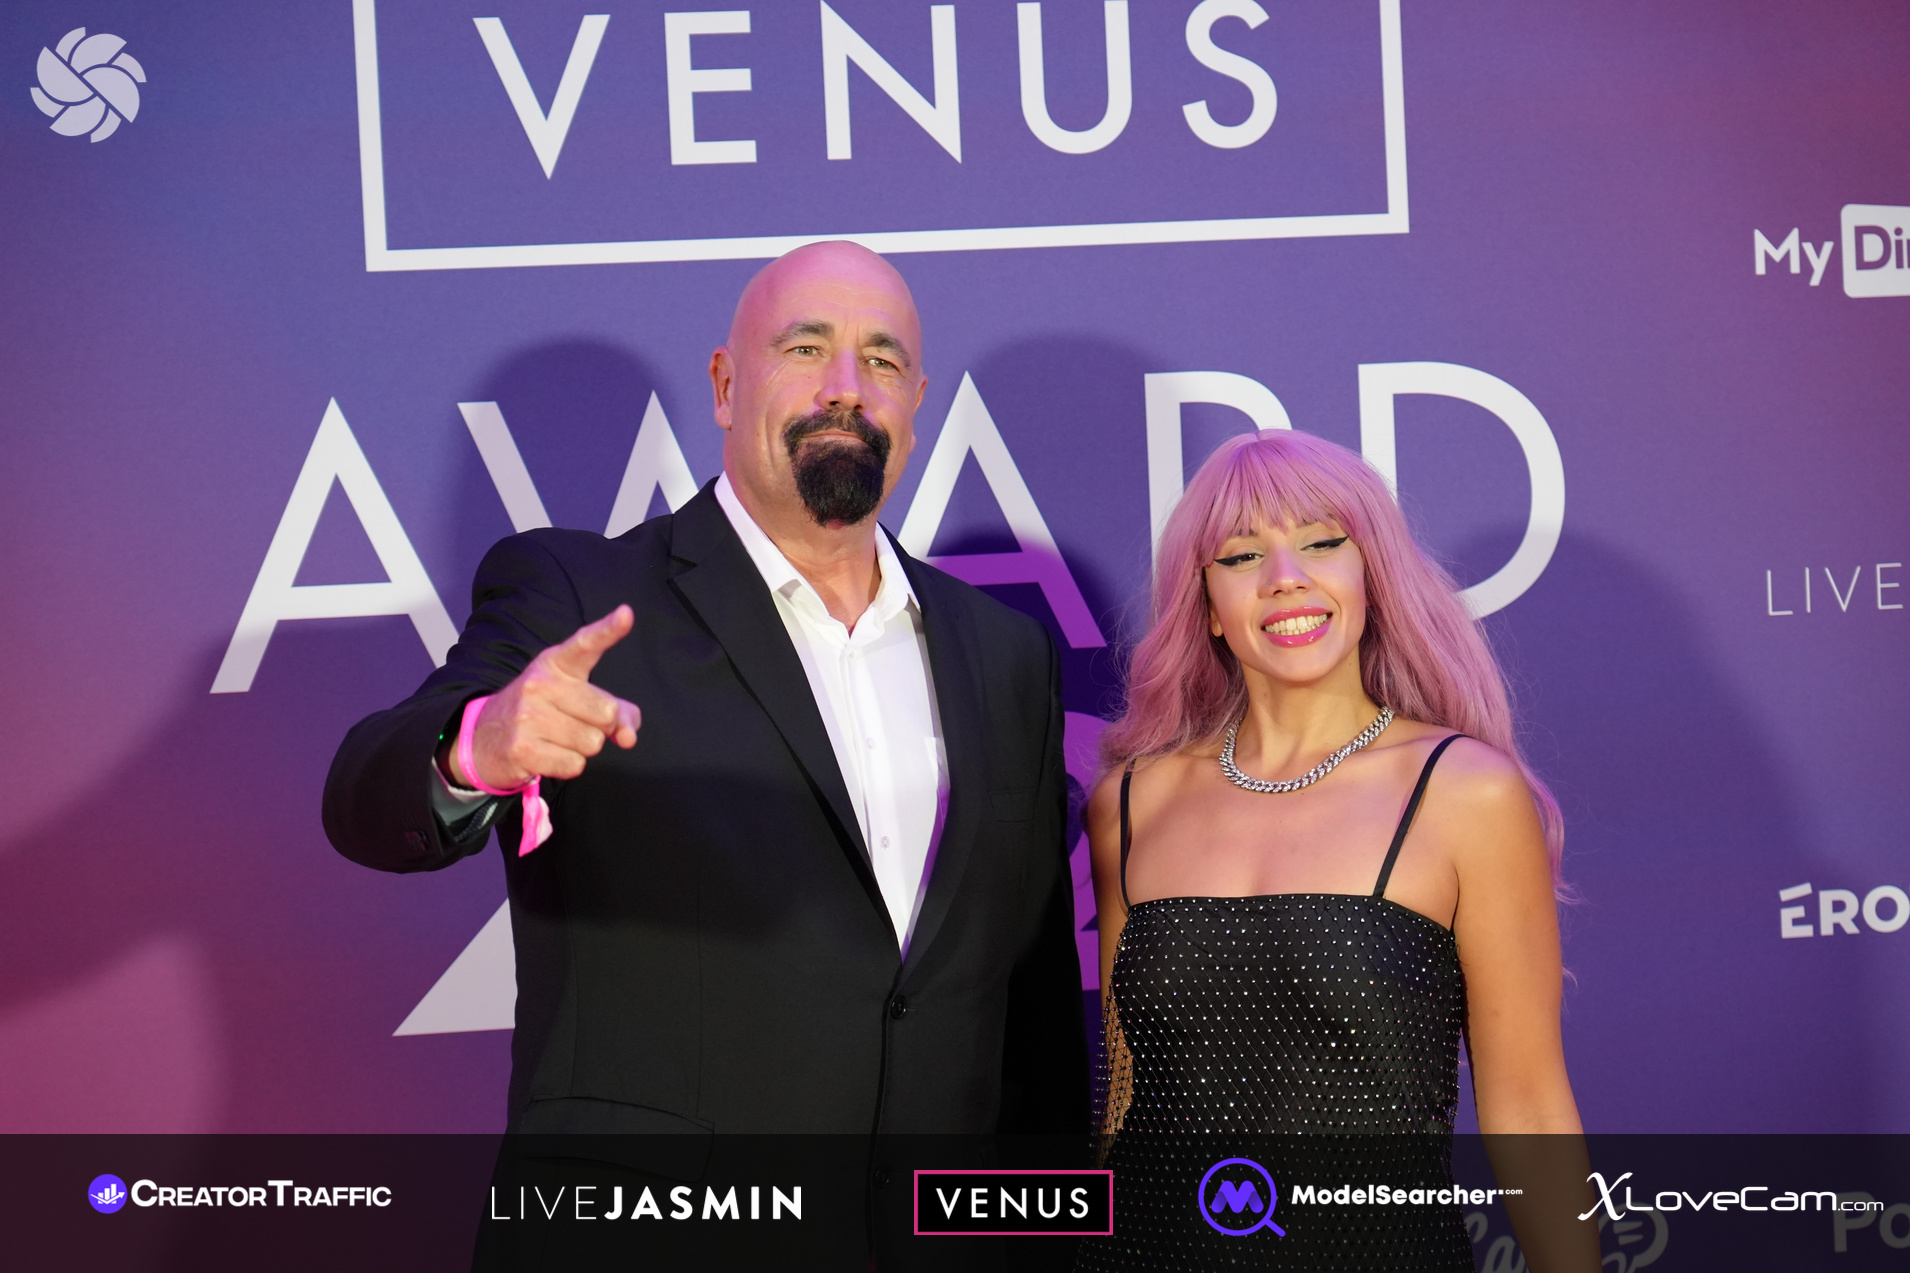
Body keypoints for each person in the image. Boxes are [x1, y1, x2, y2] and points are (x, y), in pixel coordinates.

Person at [322, 242, 1086, 1210]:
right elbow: (363, 796)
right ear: (727, 386)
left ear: (916, 400)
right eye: (805, 348)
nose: (846, 388)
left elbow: (1030, 1005)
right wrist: (477, 747)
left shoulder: (1004, 650)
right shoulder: (579, 594)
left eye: (881, 360)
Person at [1075, 430, 1596, 1270]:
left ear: (1370, 576)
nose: (1286, 576)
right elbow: (1124, 1089)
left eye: (1322, 543)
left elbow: (1529, 1107)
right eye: (1242, 555)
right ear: (1206, 606)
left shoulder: (1465, 792)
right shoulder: (1131, 803)